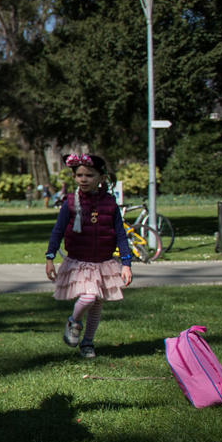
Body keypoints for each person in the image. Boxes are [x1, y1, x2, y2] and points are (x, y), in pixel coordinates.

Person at [45, 152, 133, 359]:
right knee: (89, 297)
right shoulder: (70, 202)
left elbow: (121, 234)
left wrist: (126, 263)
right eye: (79, 175)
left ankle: (88, 343)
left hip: (103, 262)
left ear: (101, 178)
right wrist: (50, 257)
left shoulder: (110, 204)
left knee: (97, 304)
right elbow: (58, 230)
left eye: (89, 175)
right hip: (80, 262)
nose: (83, 179)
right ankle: (73, 321)